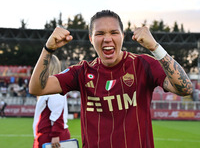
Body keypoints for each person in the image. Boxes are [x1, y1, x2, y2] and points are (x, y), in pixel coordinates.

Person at [29, 10, 193, 148]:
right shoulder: (82, 71)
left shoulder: (143, 64)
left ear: (122, 36)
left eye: (114, 32)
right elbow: (37, 89)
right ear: (91, 39)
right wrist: (47, 49)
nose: (107, 39)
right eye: (99, 33)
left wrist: (155, 47)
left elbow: (185, 88)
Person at [32, 55, 70, 148]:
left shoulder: (54, 86)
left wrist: (55, 135)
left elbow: (57, 113)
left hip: (50, 136)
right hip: (49, 134)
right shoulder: (51, 85)